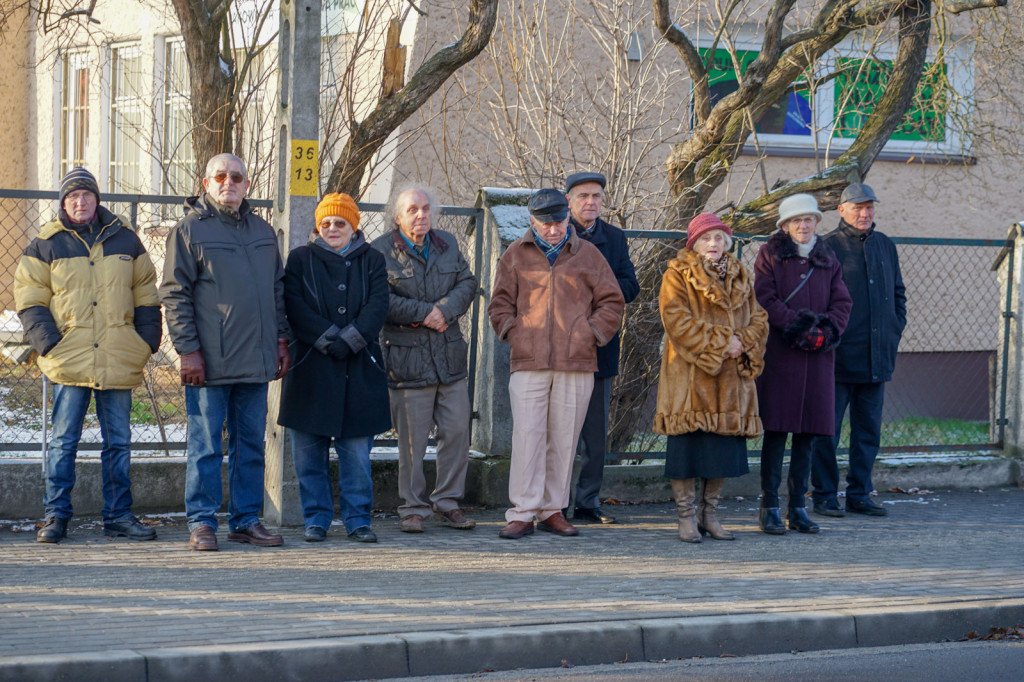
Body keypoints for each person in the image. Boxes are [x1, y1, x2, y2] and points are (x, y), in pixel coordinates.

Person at [14, 167, 161, 544]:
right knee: (64, 440)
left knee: (119, 441)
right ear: (63, 202)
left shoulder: (126, 240)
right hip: (69, 358)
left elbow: (146, 292)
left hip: (118, 354)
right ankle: (56, 515)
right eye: (72, 197)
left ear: (97, 200)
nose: (80, 202)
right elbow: (30, 299)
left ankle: (118, 516)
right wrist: (50, 343)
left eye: (87, 195)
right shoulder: (45, 244)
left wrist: (144, 342)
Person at [160, 153, 290, 551]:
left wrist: (282, 340)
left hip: (255, 359)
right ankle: (201, 522)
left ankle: (246, 520)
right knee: (206, 445)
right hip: (209, 362)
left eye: (236, 177)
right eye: (220, 176)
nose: (228, 183)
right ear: (206, 183)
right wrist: (187, 352)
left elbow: (277, 291)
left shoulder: (263, 232)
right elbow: (174, 294)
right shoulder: (188, 231)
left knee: (250, 444)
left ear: (246, 185)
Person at [488, 189, 625, 540]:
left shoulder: (589, 254)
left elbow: (612, 300)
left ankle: (552, 509)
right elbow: (499, 303)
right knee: (527, 437)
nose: (553, 230)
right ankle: (522, 511)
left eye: (559, 222)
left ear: (568, 218)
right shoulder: (515, 255)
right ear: (532, 222)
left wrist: (591, 333)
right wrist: (513, 331)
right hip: (528, 359)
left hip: (576, 361)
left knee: (564, 439)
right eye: (545, 224)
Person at [278, 194, 390, 543]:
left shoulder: (372, 260)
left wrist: (351, 339)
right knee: (308, 454)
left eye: (339, 222)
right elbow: (293, 304)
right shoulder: (299, 259)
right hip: (310, 368)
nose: (332, 229)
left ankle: (359, 520)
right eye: (325, 223)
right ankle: (316, 519)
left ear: (353, 225)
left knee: (356, 455)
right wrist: (328, 339)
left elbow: (378, 303)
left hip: (358, 371)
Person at [653, 213, 768, 543]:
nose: (713, 244)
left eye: (719, 238)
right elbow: (676, 321)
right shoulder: (677, 275)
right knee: (686, 452)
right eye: (706, 238)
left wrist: (743, 342)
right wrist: (723, 343)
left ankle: (710, 514)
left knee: (721, 452)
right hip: (690, 379)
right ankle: (685, 517)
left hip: (730, 383)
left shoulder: (741, 274)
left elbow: (760, 318)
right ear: (694, 243)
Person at [371, 187, 478, 533]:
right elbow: (380, 300)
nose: (421, 215)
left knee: (457, 431)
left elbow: (467, 282)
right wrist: (425, 313)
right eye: (413, 209)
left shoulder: (446, 243)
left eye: (426, 208)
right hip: (407, 362)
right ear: (397, 216)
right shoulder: (380, 251)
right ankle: (413, 508)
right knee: (413, 442)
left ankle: (448, 501)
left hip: (449, 358)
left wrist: (444, 310)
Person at [754, 194, 852, 535]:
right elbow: (764, 298)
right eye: (797, 220)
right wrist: (797, 327)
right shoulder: (769, 256)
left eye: (809, 219)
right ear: (784, 225)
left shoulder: (828, 258)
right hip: (782, 355)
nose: (804, 225)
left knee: (808, 435)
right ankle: (769, 506)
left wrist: (826, 332)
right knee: (776, 432)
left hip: (819, 358)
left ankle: (797, 507)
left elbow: (842, 301)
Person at [811, 183, 906, 517]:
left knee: (868, 433)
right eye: (858, 208)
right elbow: (814, 300)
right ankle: (823, 494)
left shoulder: (885, 246)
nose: (865, 214)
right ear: (841, 210)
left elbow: (898, 294)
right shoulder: (826, 247)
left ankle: (860, 494)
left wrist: (894, 329)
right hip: (835, 359)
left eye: (870, 208)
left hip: (877, 357)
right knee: (826, 431)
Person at [563, 172, 639, 525]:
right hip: (559, 346)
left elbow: (630, 285)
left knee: (595, 435)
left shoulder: (615, 238)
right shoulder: (554, 233)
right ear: (568, 201)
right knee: (559, 431)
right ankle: (555, 502)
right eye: (583, 196)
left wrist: (598, 292)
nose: (591, 202)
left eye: (596, 196)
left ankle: (588, 501)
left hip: (600, 345)